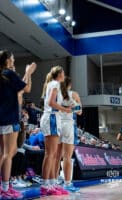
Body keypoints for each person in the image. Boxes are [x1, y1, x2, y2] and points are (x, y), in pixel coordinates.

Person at [0, 50, 36, 199]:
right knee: (8, 153)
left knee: (3, 152)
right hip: (8, 117)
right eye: (12, 58)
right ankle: (6, 188)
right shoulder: (9, 73)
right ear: (8, 60)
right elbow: (26, 88)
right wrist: (29, 72)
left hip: (0, 118)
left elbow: (20, 91)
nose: (14, 60)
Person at [40, 66, 71, 196]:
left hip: (53, 118)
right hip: (51, 118)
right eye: (63, 72)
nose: (64, 74)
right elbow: (51, 102)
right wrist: (64, 109)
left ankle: (52, 183)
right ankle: (45, 185)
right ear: (59, 74)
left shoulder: (53, 84)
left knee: (52, 155)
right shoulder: (55, 84)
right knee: (50, 155)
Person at [56, 76, 82, 192]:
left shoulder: (56, 94)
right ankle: (67, 184)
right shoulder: (74, 94)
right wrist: (71, 107)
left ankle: (54, 181)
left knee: (56, 156)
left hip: (56, 124)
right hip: (67, 125)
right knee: (67, 157)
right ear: (70, 85)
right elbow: (80, 111)